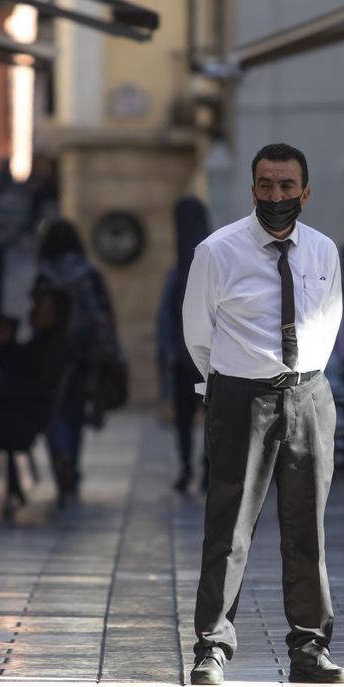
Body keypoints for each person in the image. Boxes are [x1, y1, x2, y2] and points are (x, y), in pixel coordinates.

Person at [182, 143, 344, 686]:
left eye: (286, 186)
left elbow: (330, 320)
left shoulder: (324, 250)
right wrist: (234, 381)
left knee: (309, 529)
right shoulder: (217, 252)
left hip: (309, 395)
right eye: (266, 185)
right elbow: (198, 337)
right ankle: (211, 647)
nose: (276, 196)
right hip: (241, 396)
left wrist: (301, 380)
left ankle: (310, 648)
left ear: (306, 191)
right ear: (252, 188)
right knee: (229, 526)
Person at [31, 219, 119, 507]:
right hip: (82, 355)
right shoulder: (87, 273)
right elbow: (100, 316)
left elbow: (35, 318)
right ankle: (72, 463)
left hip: (49, 355)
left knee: (53, 412)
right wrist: (108, 352)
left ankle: (60, 459)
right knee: (75, 412)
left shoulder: (44, 275)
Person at [0, 287, 78, 509]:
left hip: (23, 421)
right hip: (23, 415)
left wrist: (6, 346)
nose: (33, 312)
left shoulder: (52, 347)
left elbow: (18, 377)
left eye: (40, 307)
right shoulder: (45, 343)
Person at [157, 196, 212, 493]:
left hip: (186, 356)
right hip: (208, 359)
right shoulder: (214, 267)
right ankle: (202, 468)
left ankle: (191, 467)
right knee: (208, 418)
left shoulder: (179, 272)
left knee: (186, 417)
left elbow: (166, 319)